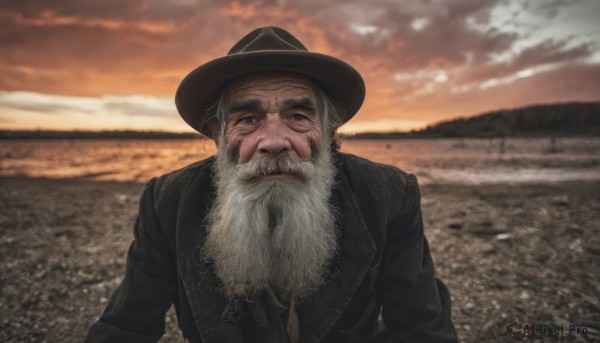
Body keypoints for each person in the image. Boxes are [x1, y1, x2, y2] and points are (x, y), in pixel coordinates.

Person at [85, 26, 457, 343]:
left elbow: (421, 327)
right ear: (218, 135)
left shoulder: (390, 195)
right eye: (248, 118)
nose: (274, 140)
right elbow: (126, 326)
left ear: (328, 132)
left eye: (298, 116)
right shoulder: (168, 201)